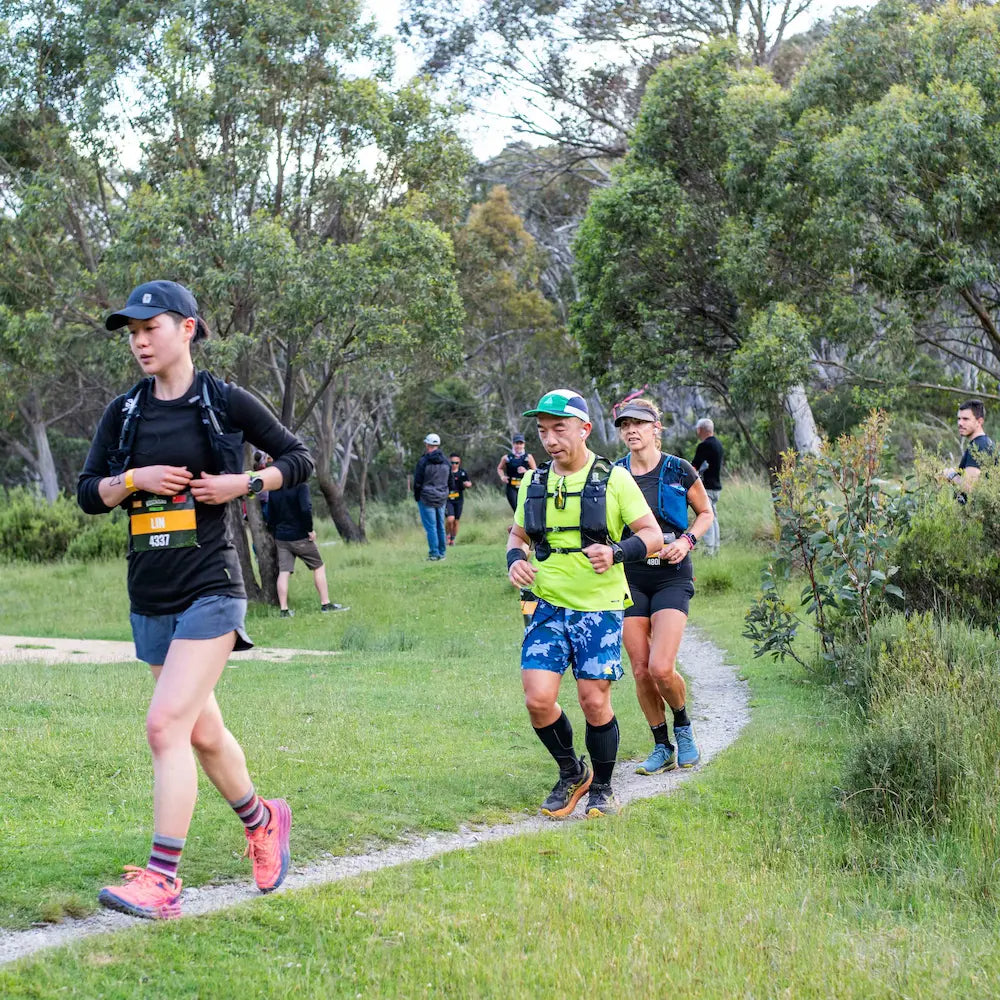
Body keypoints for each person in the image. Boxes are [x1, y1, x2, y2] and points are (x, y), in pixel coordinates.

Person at [77, 280, 314, 920]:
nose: (139, 341)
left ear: (187, 328)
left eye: (150, 328)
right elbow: (85, 491)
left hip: (212, 586)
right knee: (203, 732)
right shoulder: (124, 413)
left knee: (164, 727)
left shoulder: (224, 401)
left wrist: (245, 482)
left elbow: (298, 457)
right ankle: (264, 820)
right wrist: (131, 480)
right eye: (131, 333)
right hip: (149, 591)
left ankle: (162, 879)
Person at [506, 389, 661, 819]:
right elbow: (517, 536)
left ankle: (605, 787)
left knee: (594, 700)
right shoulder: (535, 482)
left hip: (599, 605)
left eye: (559, 429)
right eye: (542, 431)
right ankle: (572, 771)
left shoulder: (613, 478)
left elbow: (650, 534)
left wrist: (616, 552)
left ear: (584, 429)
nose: (550, 440)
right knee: (538, 699)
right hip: (547, 605)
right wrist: (514, 559)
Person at [615, 399, 714, 774]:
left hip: (672, 574)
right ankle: (661, 745)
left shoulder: (678, 469)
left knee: (660, 667)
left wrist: (686, 540)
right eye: (625, 425)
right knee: (640, 669)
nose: (631, 430)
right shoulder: (614, 474)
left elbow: (705, 512)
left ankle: (684, 727)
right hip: (631, 576)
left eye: (639, 423)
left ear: (657, 427)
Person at [265, 481, 348, 616]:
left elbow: (270, 514)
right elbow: (305, 508)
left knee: (284, 572)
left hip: (281, 537)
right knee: (318, 566)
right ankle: (325, 604)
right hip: (300, 536)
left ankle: (284, 610)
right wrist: (309, 530)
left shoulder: (274, 487)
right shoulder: (301, 486)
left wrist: (275, 531)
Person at [943, 399, 996, 492]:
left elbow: (969, 487)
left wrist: (950, 475)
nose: (960, 423)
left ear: (979, 422)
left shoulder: (979, 446)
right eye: (959, 419)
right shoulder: (983, 443)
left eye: (965, 419)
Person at [413, 432, 451, 560]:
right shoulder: (446, 461)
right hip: (441, 498)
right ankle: (442, 553)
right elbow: (450, 481)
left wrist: (417, 496)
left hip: (426, 497)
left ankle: (434, 553)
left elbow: (418, 481)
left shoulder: (423, 461)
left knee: (431, 527)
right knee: (440, 525)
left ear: (427, 445)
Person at [692, 417, 723, 555]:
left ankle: (709, 550)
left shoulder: (704, 446)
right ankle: (716, 547)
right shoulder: (718, 444)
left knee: (705, 516)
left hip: (707, 488)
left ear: (700, 430)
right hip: (716, 487)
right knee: (713, 516)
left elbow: (694, 467)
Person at [497, 433, 537, 511]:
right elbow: (499, 468)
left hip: (525, 486)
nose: (519, 446)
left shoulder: (528, 457)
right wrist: (502, 476)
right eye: (517, 443)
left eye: (521, 443)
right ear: (513, 444)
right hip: (511, 487)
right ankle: (519, 523)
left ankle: (527, 523)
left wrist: (526, 471)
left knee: (526, 508)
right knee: (516, 509)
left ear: (524, 444)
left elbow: (535, 471)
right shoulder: (507, 458)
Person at [445, 453, 472, 546]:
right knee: (450, 519)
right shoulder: (446, 472)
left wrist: (467, 484)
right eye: (452, 462)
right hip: (448, 499)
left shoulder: (462, 473)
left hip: (459, 499)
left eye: (456, 463)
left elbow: (469, 482)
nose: (454, 465)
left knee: (456, 521)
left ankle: (453, 539)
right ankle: (447, 535)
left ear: (459, 463)